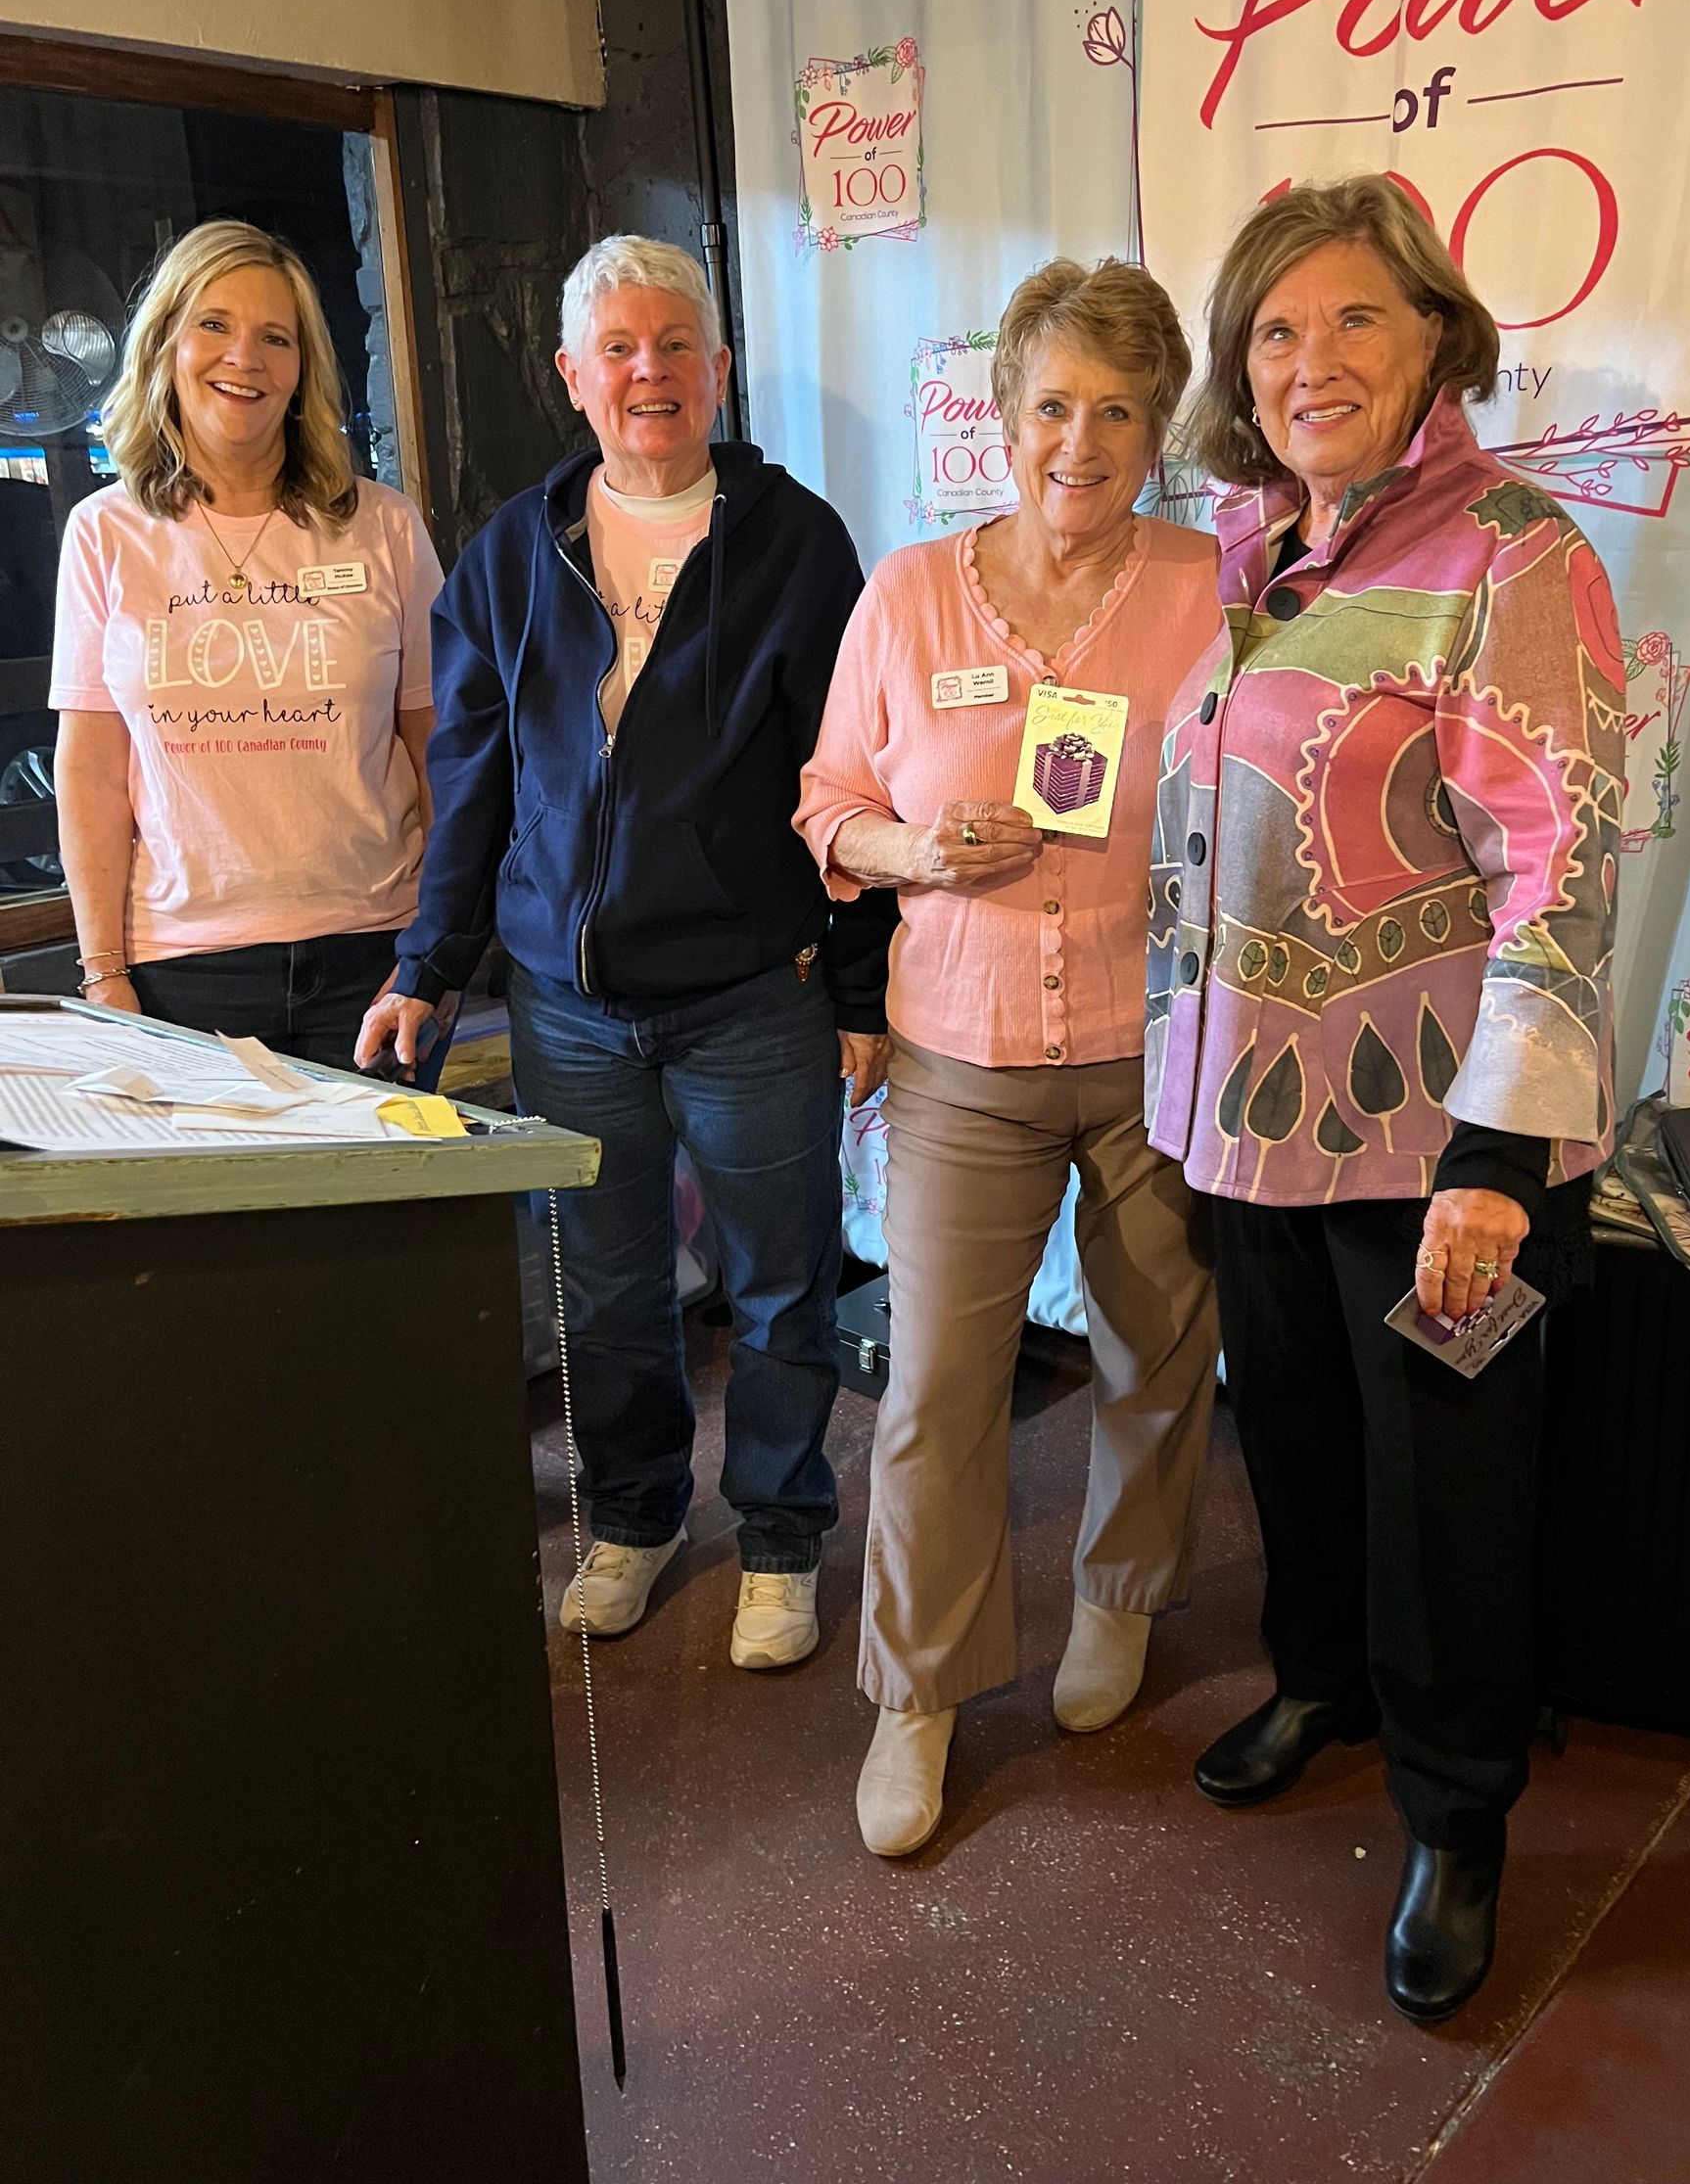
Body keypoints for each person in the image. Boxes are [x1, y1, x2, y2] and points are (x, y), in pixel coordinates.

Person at [1149, 175, 1623, 2022]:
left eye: (1354, 318)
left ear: (1438, 337)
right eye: (1274, 328)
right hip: (1252, 1123)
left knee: (1450, 1484)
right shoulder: (1254, 552)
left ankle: (1458, 1810)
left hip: (1448, 1157)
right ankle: (1323, 1679)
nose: (1309, 358)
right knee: (1300, 1438)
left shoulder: (1515, 553)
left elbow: (1556, 865)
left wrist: (1499, 1160)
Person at [357, 235, 893, 1669]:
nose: (648, 373)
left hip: (750, 995)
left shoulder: (796, 543)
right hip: (568, 1008)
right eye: (619, 351)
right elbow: (469, 782)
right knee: (604, 1285)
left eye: (675, 347)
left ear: (717, 369)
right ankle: (636, 1519)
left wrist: (859, 989)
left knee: (784, 1282)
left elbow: (846, 780)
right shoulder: (508, 555)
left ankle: (781, 1534)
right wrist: (428, 962)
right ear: (572, 378)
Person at [796, 258, 1224, 1858]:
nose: (1082, 440)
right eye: (1054, 403)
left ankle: (1119, 1594)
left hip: (1157, 1042)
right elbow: (829, 796)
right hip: (961, 1051)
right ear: (1002, 414)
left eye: (1120, 410)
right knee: (936, 1390)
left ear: (1157, 427)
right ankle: (917, 1695)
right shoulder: (907, 593)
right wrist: (912, 844)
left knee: (1159, 1346)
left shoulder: (1213, 581)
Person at [51, 218, 444, 1072]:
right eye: (215, 326)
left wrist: (437, 954)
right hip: (178, 973)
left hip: (373, 955)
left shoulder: (383, 527)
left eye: (277, 337)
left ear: (304, 370)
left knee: (381, 1209)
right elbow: (89, 768)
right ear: (164, 346)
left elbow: (437, 746)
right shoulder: (104, 534)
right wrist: (102, 972)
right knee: (224, 1212)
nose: (246, 358)